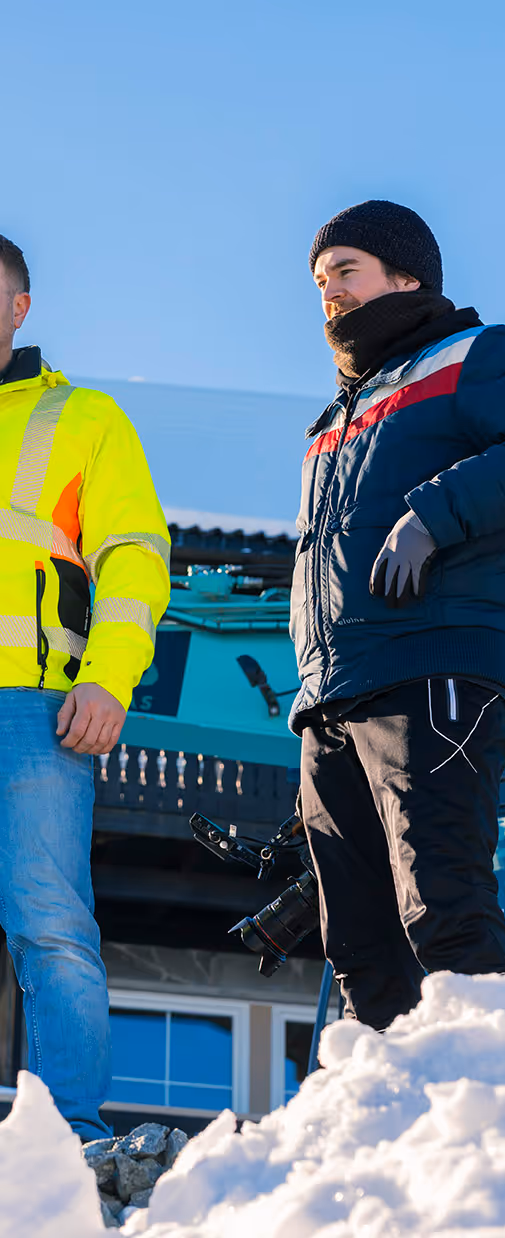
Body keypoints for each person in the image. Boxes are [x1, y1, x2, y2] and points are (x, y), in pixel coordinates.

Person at [291, 200, 505, 1030]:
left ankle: (489, 1094)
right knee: (357, 942)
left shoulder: (473, 357)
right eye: (320, 279)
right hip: (332, 699)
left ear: (406, 277)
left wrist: (435, 512)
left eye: (346, 271)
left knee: (442, 907)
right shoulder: (334, 418)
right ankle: (388, 1124)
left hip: (432, 673)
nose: (329, 291)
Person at [0, 234, 171, 1138]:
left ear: (18, 307)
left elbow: (135, 563)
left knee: (51, 931)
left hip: (32, 713)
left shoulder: (84, 418)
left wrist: (107, 680)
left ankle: (66, 1140)